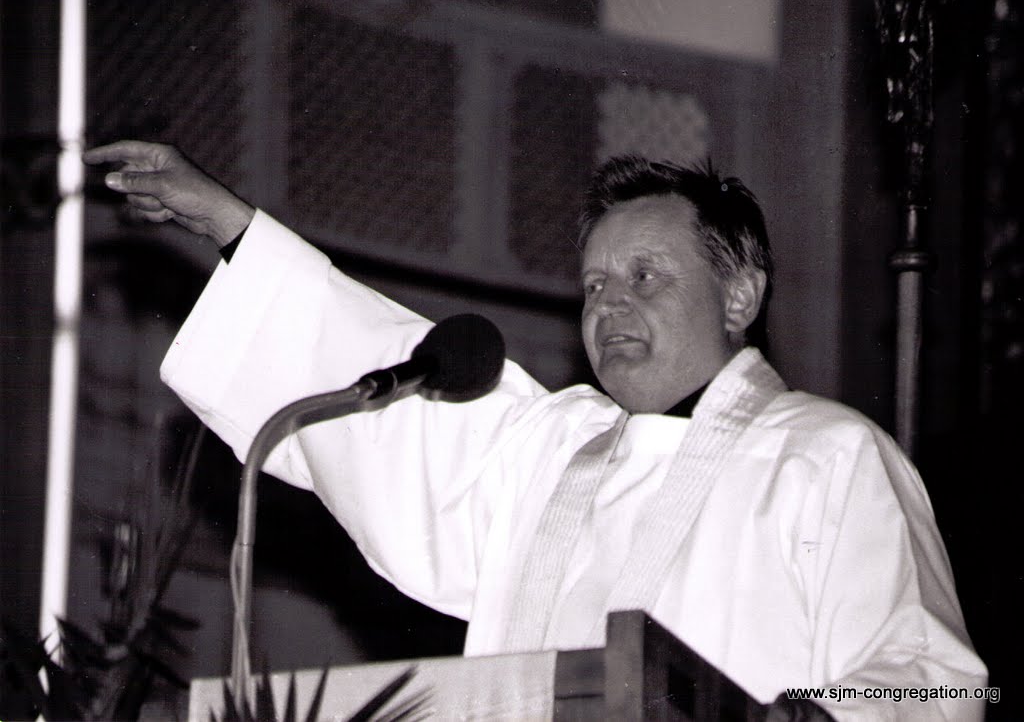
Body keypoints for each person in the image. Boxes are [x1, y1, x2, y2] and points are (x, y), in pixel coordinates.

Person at [84, 141, 987, 720]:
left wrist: (804, 715)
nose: (610, 305)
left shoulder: (829, 454)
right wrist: (234, 230)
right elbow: (390, 409)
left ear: (740, 295)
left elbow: (931, 680)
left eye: (644, 277)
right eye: (594, 285)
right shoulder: (555, 453)